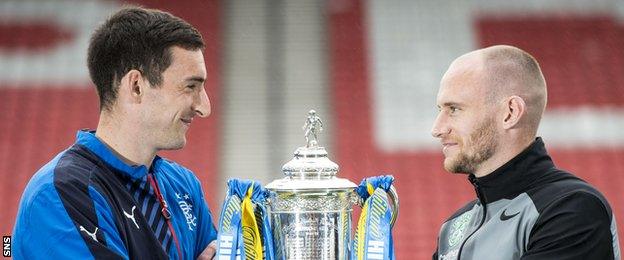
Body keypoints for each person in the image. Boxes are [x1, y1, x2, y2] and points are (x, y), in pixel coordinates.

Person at [13, 7, 218, 259]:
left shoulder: (183, 185)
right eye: (190, 86)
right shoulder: (60, 193)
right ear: (136, 86)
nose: (204, 107)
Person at [431, 45, 620, 259]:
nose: (437, 129)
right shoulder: (454, 227)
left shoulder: (572, 208)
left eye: (454, 109)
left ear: (510, 112)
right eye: (440, 110)